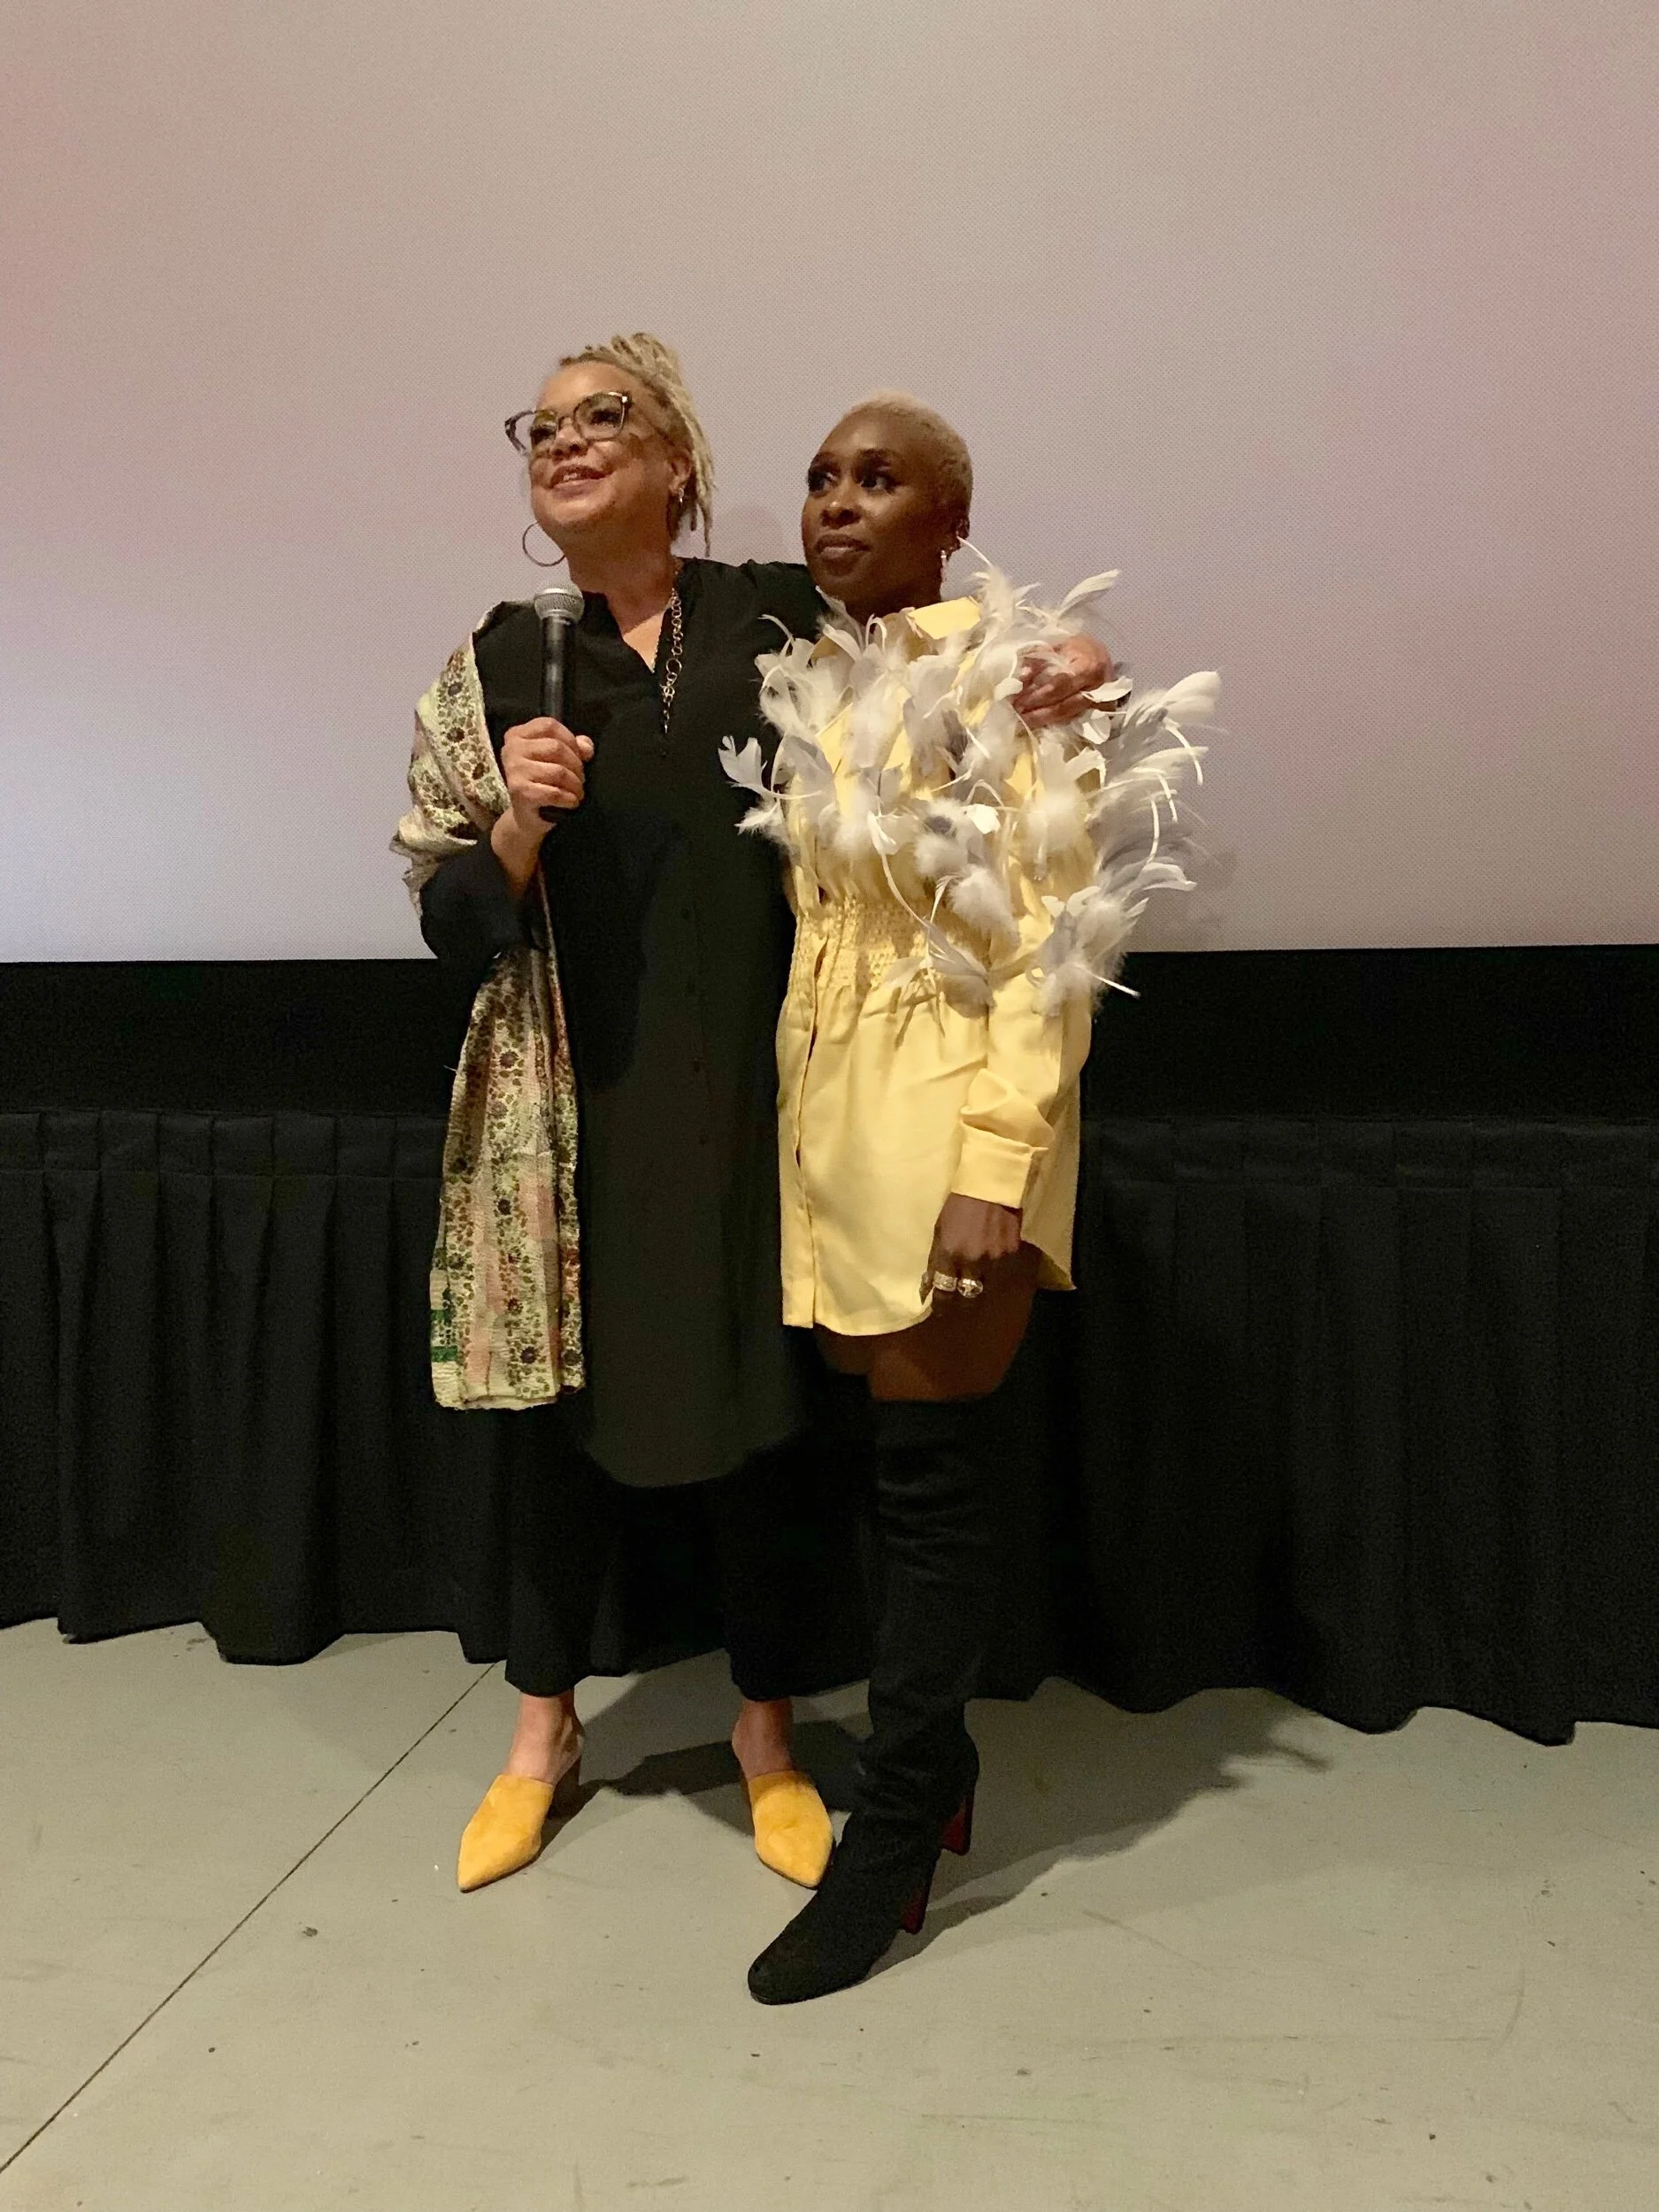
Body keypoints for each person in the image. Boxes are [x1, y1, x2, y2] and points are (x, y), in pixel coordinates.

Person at [393, 338, 1112, 1898]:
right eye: (543, 424)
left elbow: (952, 649)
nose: (567, 441)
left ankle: (765, 1739)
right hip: (569, 1115)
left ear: (679, 463)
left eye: (608, 416)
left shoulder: (775, 619)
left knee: (769, 1430)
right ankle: (540, 1741)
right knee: (554, 1437)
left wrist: (1065, 664)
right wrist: (514, 821)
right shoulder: (490, 664)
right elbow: (447, 919)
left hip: (776, 1105)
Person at [730, 394, 1217, 2001]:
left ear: (952, 520)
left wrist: (994, 1164)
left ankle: (885, 1850)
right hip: (828, 1128)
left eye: (880, 480)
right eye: (818, 478)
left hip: (951, 1123)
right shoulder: (813, 679)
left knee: (934, 1489)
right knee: (883, 1477)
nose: (837, 502)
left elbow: (1052, 946)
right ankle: (929, 1780)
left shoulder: (1012, 679)